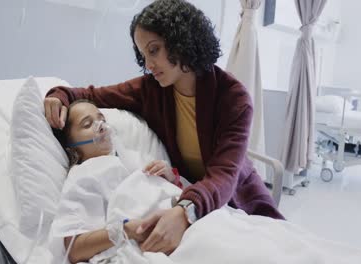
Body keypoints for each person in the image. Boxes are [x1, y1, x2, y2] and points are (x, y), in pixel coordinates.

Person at [45, 0, 284, 256]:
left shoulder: (233, 98)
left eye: (154, 50)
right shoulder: (151, 90)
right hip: (185, 195)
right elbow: (91, 95)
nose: (148, 64)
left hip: (235, 199)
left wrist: (184, 211)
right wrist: (59, 96)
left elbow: (224, 176)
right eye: (143, 55)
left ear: (181, 40)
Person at [51, 99, 183, 263]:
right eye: (87, 124)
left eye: (102, 119)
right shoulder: (82, 174)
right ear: (72, 147)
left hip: (181, 221)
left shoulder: (130, 158)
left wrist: (169, 176)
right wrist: (124, 231)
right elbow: (74, 249)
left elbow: (170, 193)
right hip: (152, 240)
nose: (101, 126)